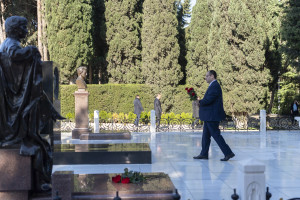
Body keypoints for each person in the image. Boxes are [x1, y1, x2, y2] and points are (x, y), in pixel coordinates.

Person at [0, 16, 63, 191]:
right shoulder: (11, 44)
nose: (27, 31)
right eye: (24, 27)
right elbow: (14, 56)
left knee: (41, 144)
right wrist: (31, 50)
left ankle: (40, 179)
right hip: (16, 108)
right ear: (16, 29)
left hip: (14, 107)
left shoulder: (7, 43)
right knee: (42, 146)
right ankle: (42, 180)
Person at [193, 70, 235, 161]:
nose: (205, 78)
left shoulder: (215, 86)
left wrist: (199, 102)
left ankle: (228, 153)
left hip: (212, 116)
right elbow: (209, 99)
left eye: (207, 76)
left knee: (216, 135)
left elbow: (209, 100)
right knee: (205, 136)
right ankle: (204, 154)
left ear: (212, 76)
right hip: (209, 116)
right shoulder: (212, 85)